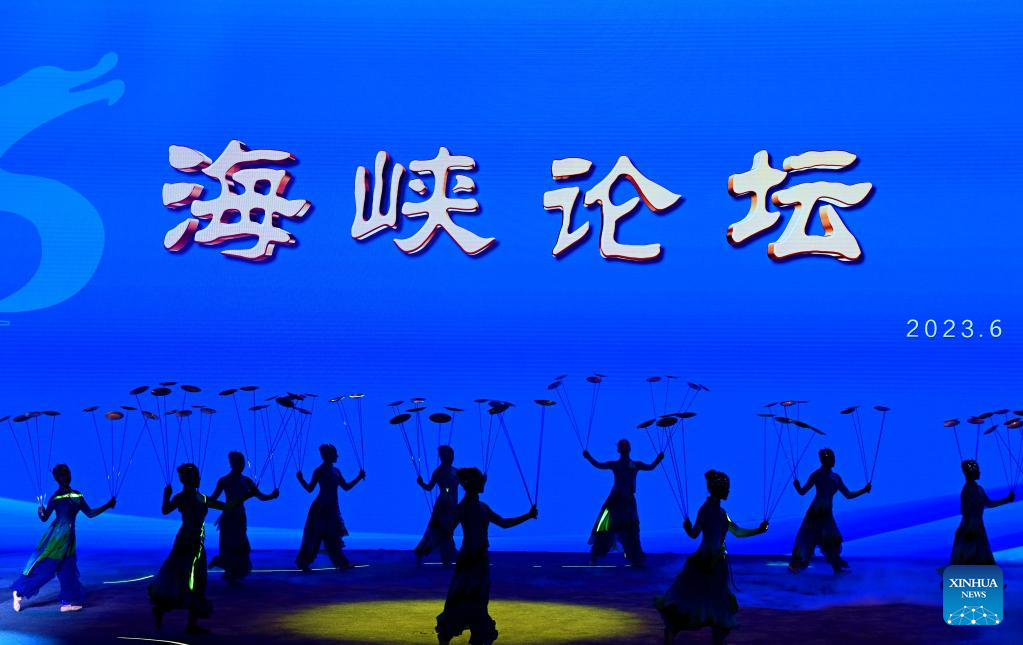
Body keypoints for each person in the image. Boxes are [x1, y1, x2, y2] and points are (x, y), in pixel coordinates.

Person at [656, 470, 768, 645]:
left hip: (706, 563)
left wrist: (758, 530)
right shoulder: (717, 513)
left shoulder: (713, 511)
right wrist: (758, 531)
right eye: (726, 487)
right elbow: (737, 532)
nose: (729, 490)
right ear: (719, 489)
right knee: (712, 605)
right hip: (710, 564)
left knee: (692, 602)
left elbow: (694, 534)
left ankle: (672, 636)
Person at [436, 467, 537, 645]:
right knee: (464, 594)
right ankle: (456, 633)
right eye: (481, 481)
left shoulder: (480, 507)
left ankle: (465, 634)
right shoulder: (466, 508)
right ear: (474, 484)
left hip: (478, 558)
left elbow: (503, 523)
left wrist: (527, 516)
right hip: (470, 558)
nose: (484, 484)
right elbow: (447, 531)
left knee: (474, 596)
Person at [10, 464, 115, 613]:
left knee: (68, 570)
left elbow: (90, 514)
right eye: (63, 475)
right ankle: (19, 592)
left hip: (69, 539)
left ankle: (67, 602)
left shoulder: (76, 495)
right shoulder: (57, 498)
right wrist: (40, 512)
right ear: (59, 478)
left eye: (67, 474)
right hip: (56, 539)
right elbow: (44, 518)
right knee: (46, 569)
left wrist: (108, 505)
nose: (66, 477)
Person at [149, 463, 228, 634]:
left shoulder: (200, 497)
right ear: (189, 479)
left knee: (189, 579)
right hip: (186, 542)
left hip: (195, 542)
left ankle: (175, 616)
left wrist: (245, 496)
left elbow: (224, 506)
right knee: (186, 578)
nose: (198, 478)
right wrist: (166, 495)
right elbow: (165, 510)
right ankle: (180, 618)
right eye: (195, 476)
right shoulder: (184, 497)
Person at [788, 448, 871, 574]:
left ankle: (836, 567)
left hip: (826, 514)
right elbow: (802, 492)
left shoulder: (836, 477)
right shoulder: (817, 474)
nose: (834, 460)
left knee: (832, 539)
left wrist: (864, 490)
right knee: (808, 539)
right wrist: (797, 486)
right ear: (825, 460)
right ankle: (795, 565)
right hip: (815, 513)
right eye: (832, 458)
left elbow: (848, 494)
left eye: (833, 458)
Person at [583, 439, 664, 565]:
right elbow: (598, 465)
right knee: (609, 527)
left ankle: (635, 558)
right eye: (623, 446)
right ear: (621, 450)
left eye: (625, 446)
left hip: (625, 501)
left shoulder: (632, 465)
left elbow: (651, 467)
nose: (625, 448)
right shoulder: (618, 465)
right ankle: (597, 556)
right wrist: (588, 457)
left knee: (630, 528)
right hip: (616, 500)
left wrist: (659, 458)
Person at [208, 451, 279, 580]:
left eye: (242, 462)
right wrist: (199, 498)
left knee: (240, 545)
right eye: (239, 462)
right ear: (232, 463)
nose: (241, 465)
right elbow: (212, 499)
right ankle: (227, 569)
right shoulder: (224, 480)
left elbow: (262, 497)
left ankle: (226, 568)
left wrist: (272, 496)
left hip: (239, 517)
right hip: (229, 517)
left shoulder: (247, 481)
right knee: (231, 545)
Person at [295, 443, 365, 571]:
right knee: (316, 536)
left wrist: (359, 477)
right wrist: (300, 479)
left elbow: (346, 487)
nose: (337, 456)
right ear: (329, 455)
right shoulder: (319, 471)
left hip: (331, 509)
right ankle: (304, 562)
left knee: (332, 537)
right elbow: (310, 489)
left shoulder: (336, 471)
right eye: (335, 453)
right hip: (320, 509)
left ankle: (341, 563)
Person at [945, 459, 1014, 569]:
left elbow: (989, 503)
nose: (980, 472)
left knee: (979, 558)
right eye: (977, 470)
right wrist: (971, 527)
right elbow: (965, 511)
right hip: (969, 528)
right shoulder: (966, 491)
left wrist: (1006, 500)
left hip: (977, 527)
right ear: (971, 473)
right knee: (969, 558)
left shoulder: (979, 489)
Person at [415, 445, 460, 565]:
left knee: (443, 530)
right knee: (443, 530)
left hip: (451, 504)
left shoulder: (455, 471)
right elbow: (433, 487)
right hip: (444, 504)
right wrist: (421, 483)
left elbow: (430, 487)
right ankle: (446, 557)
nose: (451, 457)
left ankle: (427, 551)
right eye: (448, 455)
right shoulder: (440, 472)